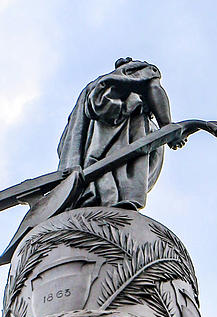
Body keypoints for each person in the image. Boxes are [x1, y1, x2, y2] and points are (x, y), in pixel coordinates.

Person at [57, 58, 183, 210]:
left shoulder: (92, 88)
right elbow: (154, 88)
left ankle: (91, 196)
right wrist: (167, 127)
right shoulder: (140, 72)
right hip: (121, 132)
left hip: (92, 153)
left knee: (102, 170)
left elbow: (69, 141)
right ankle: (114, 200)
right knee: (117, 172)